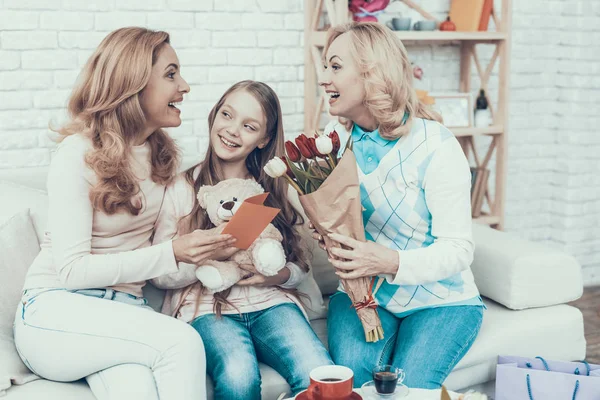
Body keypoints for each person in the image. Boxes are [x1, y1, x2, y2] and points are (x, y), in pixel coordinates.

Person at [12, 27, 236, 400]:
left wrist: (209, 250)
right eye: (170, 74)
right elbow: (71, 271)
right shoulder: (77, 153)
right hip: (55, 310)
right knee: (182, 343)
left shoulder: (163, 158)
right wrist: (175, 252)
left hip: (125, 316)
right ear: (132, 82)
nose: (184, 86)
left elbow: (165, 264)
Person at [313, 22, 485, 389]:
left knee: (407, 387)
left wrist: (389, 261)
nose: (324, 78)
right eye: (325, 66)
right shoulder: (334, 140)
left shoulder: (436, 145)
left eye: (335, 66)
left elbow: (459, 250)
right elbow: (335, 216)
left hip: (442, 299)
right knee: (353, 386)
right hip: (362, 294)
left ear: (372, 70)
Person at [151, 80, 333, 400]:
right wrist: (207, 255)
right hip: (207, 310)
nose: (233, 130)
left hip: (272, 303)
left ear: (263, 139)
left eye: (249, 126)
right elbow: (161, 274)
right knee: (238, 377)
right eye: (227, 115)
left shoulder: (274, 187)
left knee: (319, 373)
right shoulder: (182, 187)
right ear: (214, 115)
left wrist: (279, 274)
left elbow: (301, 264)